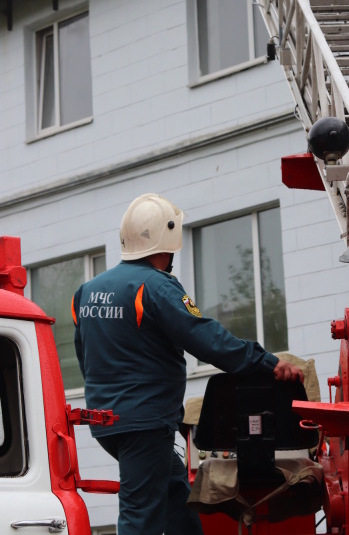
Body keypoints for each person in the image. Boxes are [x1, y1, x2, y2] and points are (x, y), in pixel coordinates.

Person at [71, 193, 304, 535]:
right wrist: (265, 363)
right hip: (143, 424)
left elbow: (85, 354)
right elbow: (204, 337)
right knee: (141, 519)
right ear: (168, 240)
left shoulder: (86, 292)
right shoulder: (155, 286)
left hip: (107, 423)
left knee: (176, 499)